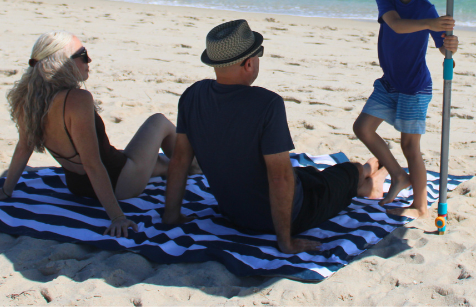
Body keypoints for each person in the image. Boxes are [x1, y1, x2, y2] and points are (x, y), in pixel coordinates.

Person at [162, 20, 386, 254]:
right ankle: (371, 174)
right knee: (345, 172)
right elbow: (279, 178)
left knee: (308, 175)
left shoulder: (192, 96)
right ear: (249, 63)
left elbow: (179, 160)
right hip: (291, 215)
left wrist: (171, 215)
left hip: (234, 213)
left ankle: (368, 176)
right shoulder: (267, 104)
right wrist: (285, 241)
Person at [0, 31, 177, 238]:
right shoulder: (77, 99)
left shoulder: (27, 99)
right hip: (120, 183)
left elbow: (24, 147)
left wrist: (6, 191)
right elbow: (93, 164)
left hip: (77, 186)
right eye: (83, 55)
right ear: (63, 63)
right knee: (158, 121)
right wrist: (117, 217)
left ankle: (187, 166)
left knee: (162, 164)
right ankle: (193, 163)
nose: (89, 60)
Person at [353, 0, 459, 219]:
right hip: (389, 82)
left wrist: (450, 44)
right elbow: (397, 26)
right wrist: (429, 24)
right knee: (363, 128)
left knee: (409, 145)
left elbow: (441, 46)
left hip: (413, 87)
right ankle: (399, 176)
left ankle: (421, 206)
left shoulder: (426, 9)